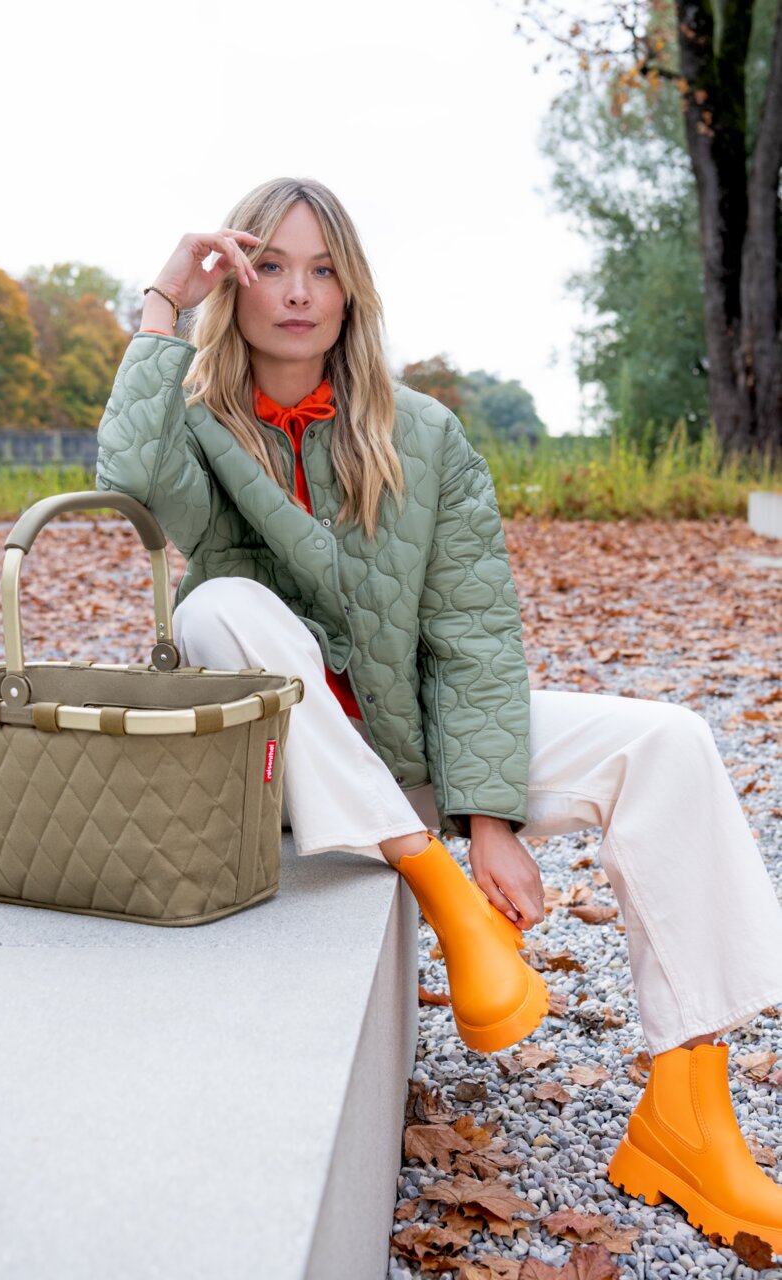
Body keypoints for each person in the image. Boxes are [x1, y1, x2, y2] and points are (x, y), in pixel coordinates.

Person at [96, 176, 782, 1250]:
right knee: (221, 607)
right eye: (269, 264)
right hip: (303, 761)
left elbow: (473, 631)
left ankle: (688, 1112)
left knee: (670, 741)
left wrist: (494, 813)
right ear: (235, 281)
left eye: (322, 269)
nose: (296, 292)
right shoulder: (197, 423)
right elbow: (126, 470)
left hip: (415, 737)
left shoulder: (421, 436)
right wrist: (159, 304)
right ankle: (437, 888)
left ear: (352, 287)